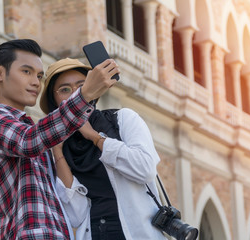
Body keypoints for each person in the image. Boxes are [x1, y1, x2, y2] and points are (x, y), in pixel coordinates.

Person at [0, 39, 119, 239]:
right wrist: (85, 94)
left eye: (39, 75)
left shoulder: (33, 128)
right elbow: (28, 141)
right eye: (26, 71)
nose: (36, 82)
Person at [39, 58, 167, 240]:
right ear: (55, 101)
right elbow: (75, 215)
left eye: (81, 85)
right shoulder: (63, 147)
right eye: (65, 90)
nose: (75, 94)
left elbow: (145, 169)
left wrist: (95, 137)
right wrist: (57, 150)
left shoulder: (123, 119)